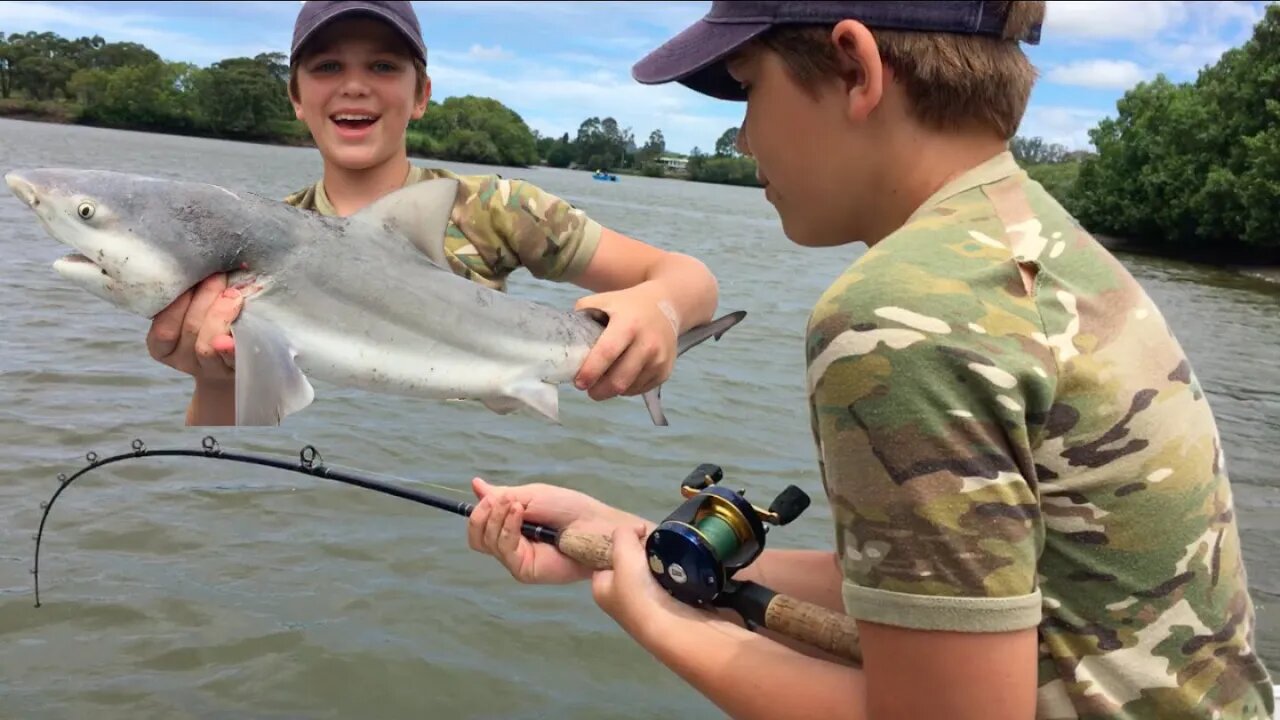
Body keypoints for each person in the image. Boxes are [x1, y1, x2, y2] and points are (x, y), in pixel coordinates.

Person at [466, 2, 1275, 718]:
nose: (744, 135)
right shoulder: (1037, 241)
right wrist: (641, 545)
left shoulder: (901, 314)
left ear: (856, 68)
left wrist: (655, 616)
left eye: (749, 88)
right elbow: (958, 595)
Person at [143, 0, 721, 426]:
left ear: (421, 94)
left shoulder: (498, 209)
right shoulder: (261, 244)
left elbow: (690, 280)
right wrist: (210, 376)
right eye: (325, 67)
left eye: (384, 67)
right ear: (294, 97)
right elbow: (229, 468)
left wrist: (660, 312)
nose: (354, 87)